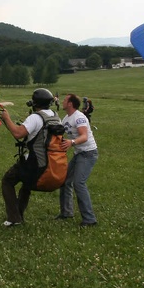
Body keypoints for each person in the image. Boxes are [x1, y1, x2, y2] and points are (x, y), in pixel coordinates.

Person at [0, 88, 56, 227]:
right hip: (46, 161)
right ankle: (19, 214)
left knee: (8, 181)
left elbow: (18, 134)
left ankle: (14, 218)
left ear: (34, 103)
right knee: (26, 185)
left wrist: (6, 119)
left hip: (33, 161)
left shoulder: (35, 117)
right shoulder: (54, 115)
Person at [55, 93, 98, 226]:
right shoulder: (66, 118)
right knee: (65, 181)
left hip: (88, 153)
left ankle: (90, 219)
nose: (62, 102)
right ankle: (66, 212)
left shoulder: (79, 117)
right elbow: (59, 134)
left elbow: (84, 136)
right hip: (79, 154)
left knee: (79, 183)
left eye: (65, 100)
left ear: (70, 103)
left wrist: (72, 142)